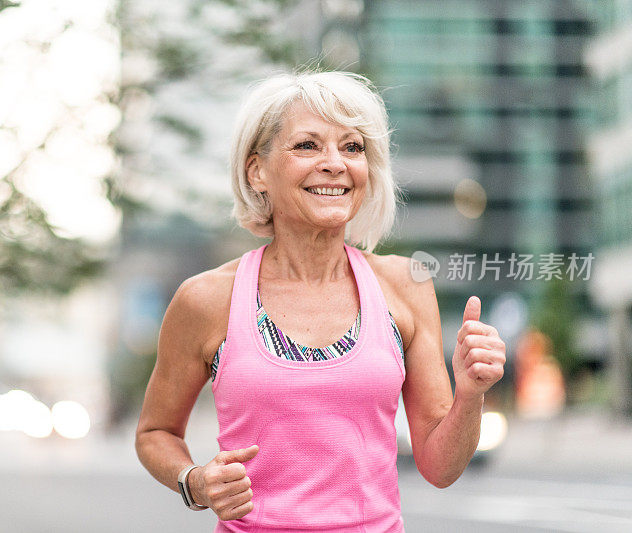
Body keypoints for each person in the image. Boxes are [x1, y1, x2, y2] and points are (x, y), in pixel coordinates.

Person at [135, 70, 506, 532]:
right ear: (257, 171)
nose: (335, 163)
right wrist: (194, 482)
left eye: (352, 147)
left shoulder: (405, 284)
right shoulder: (207, 299)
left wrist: (471, 393)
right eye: (308, 145)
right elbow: (155, 433)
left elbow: (439, 466)